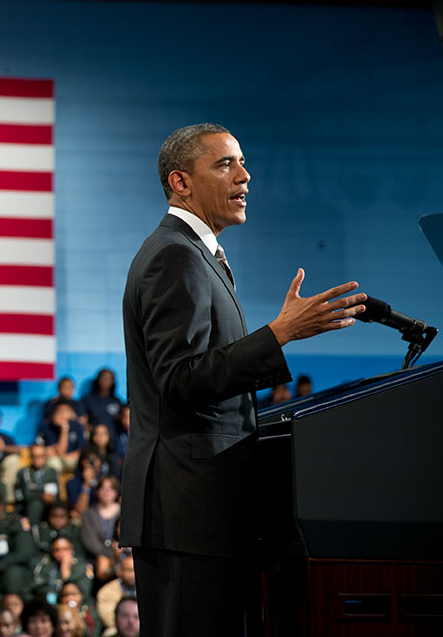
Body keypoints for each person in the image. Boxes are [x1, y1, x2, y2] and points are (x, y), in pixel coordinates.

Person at [121, 123, 367, 636]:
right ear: (180, 182)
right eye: (226, 164)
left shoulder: (197, 254)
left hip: (203, 512)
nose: (246, 176)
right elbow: (181, 380)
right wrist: (278, 335)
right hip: (189, 512)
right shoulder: (175, 255)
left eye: (243, 163)